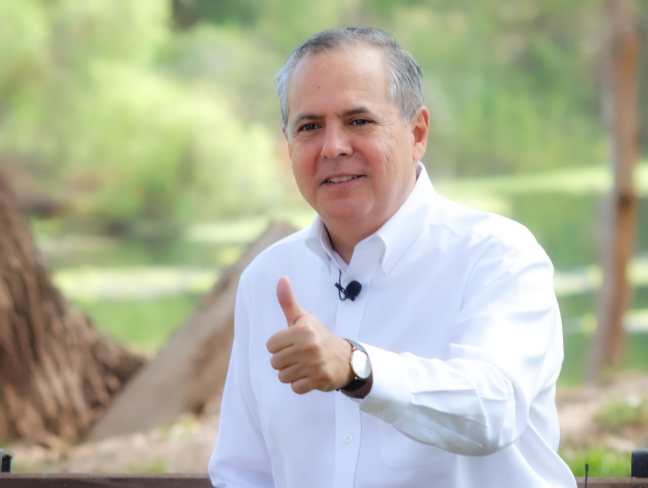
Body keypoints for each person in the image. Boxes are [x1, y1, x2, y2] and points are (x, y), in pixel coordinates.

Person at [208, 26, 577, 488]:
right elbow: (243, 471)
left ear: (417, 132)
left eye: (358, 121)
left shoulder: (498, 255)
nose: (333, 147)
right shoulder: (268, 278)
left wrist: (357, 368)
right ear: (289, 145)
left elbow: (492, 409)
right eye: (310, 127)